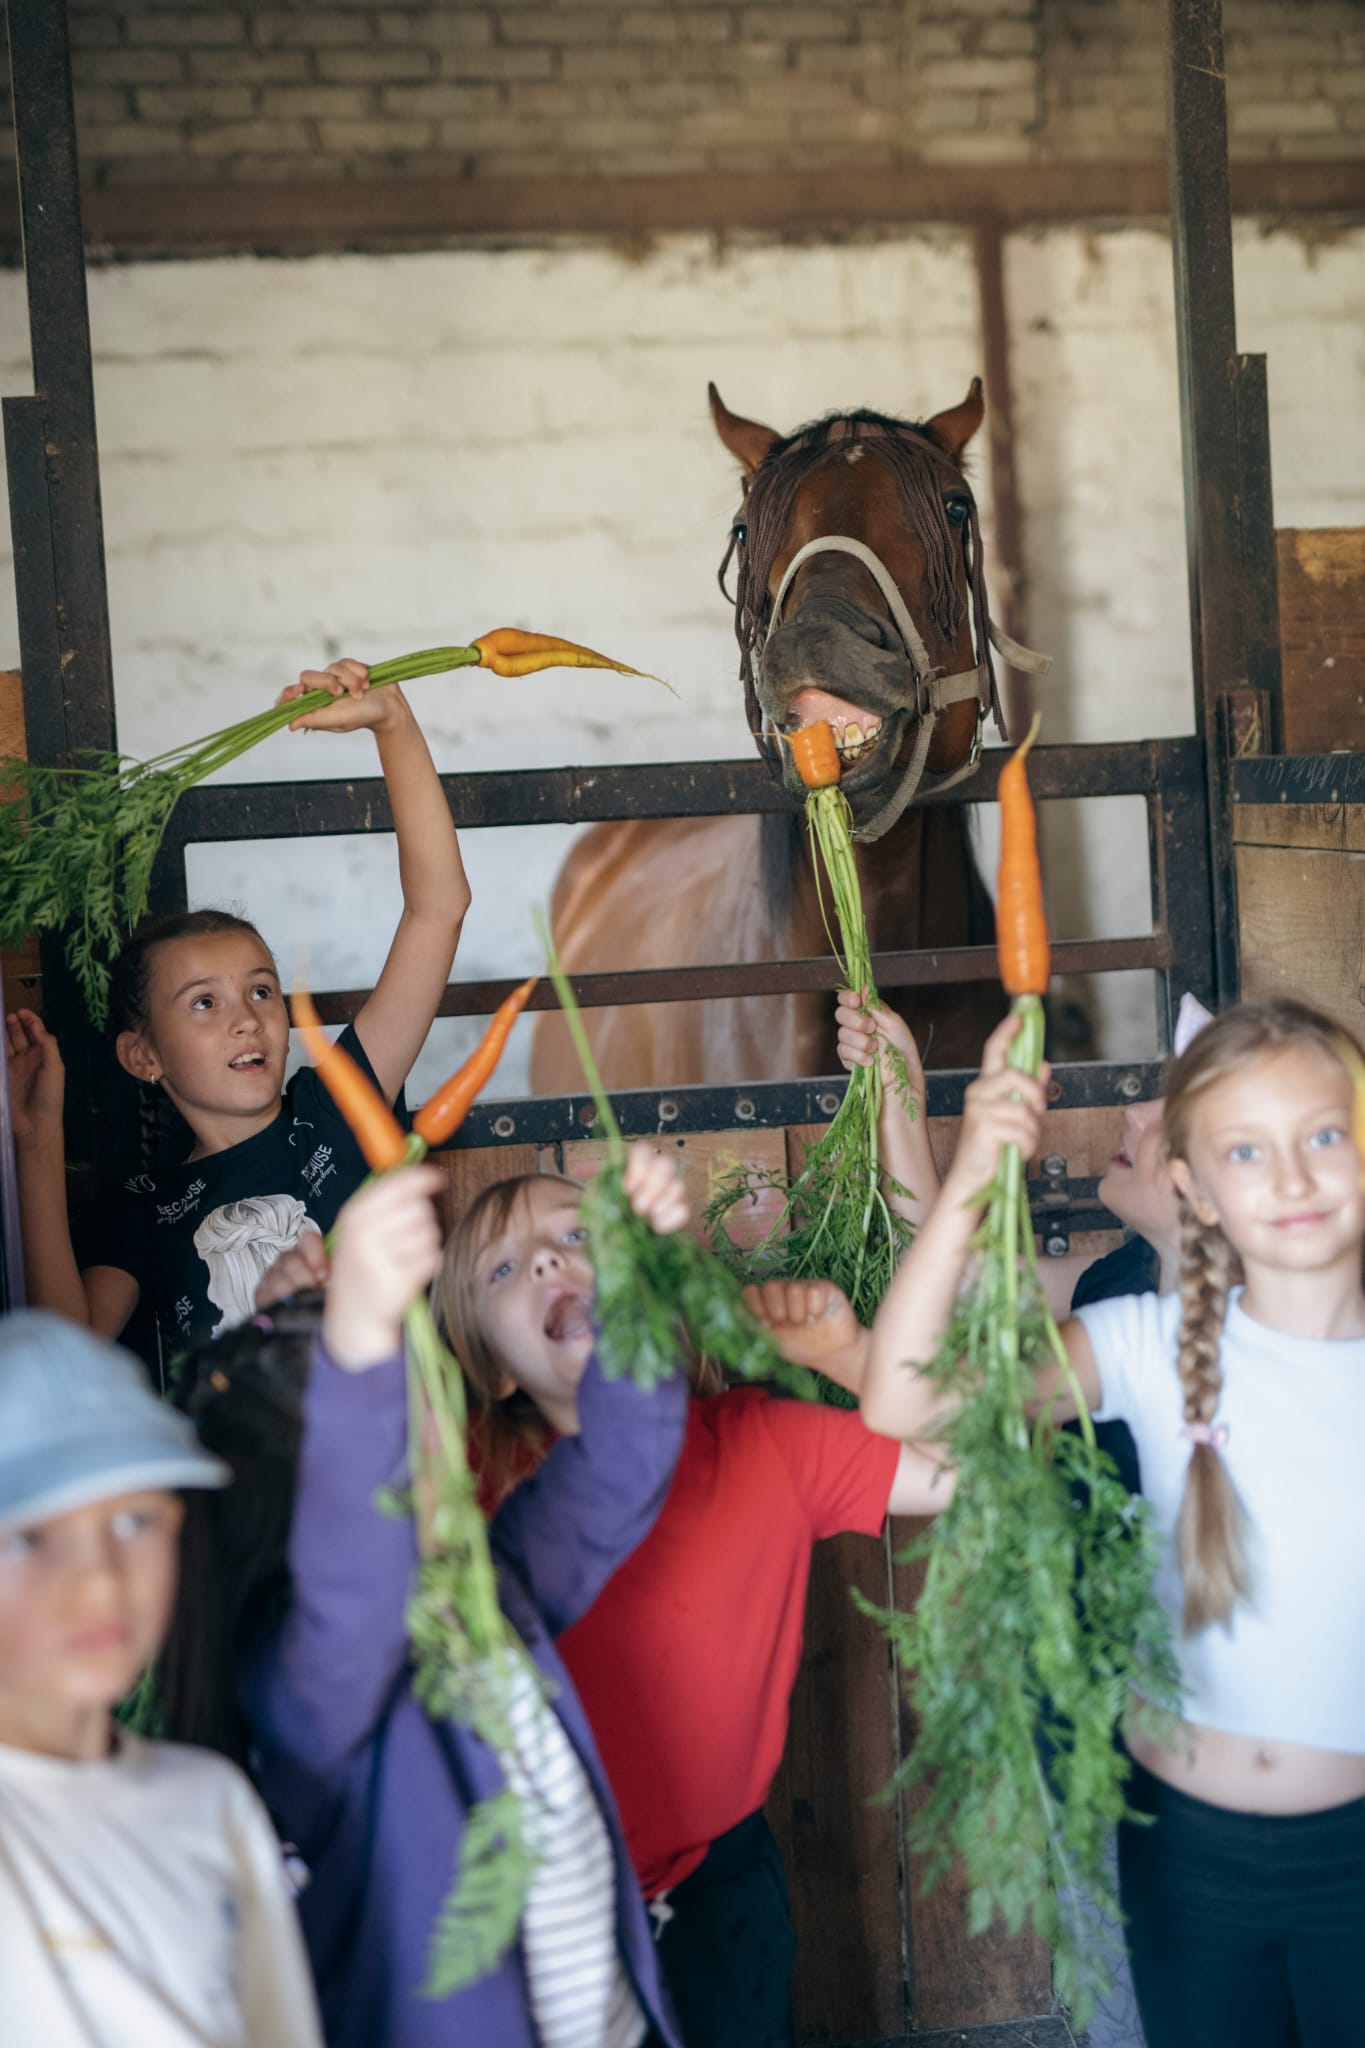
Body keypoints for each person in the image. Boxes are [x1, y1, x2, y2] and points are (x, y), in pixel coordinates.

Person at [860, 997, 1365, 2048]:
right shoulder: (1139, 1338)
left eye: (1324, 1136)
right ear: (1196, 1188)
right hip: (1182, 1853)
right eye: (1246, 1149)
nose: (1292, 1177)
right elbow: (903, 1401)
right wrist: (971, 1170)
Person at [160, 1151, 694, 2048]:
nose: (441, 1438)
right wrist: (358, 1339)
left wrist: (632, 1278)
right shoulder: (302, 1691)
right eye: (398, 1424)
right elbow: (354, 1591)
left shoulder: (489, 1590)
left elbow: (620, 1464)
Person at [433, 1155, 955, 2048]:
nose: (549, 1260)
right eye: (504, 1267)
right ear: (491, 1370)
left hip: (715, 1896)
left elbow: (960, 1468)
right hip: (523, 1900)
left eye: (577, 1234)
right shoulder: (460, 1477)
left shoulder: (764, 1442)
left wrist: (848, 1356)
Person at [7, 657, 469, 1352]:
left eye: (261, 990)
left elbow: (438, 910)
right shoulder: (146, 1210)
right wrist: (38, 1142)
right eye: (204, 1003)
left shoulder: (338, 1110)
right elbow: (66, 1349)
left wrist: (393, 724)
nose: (247, 1018)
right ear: (143, 1056)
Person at [0, 1308, 322, 2048]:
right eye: (31, 1537)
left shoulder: (214, 1804)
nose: (101, 1582)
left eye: (132, 1522)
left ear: (179, 1526)